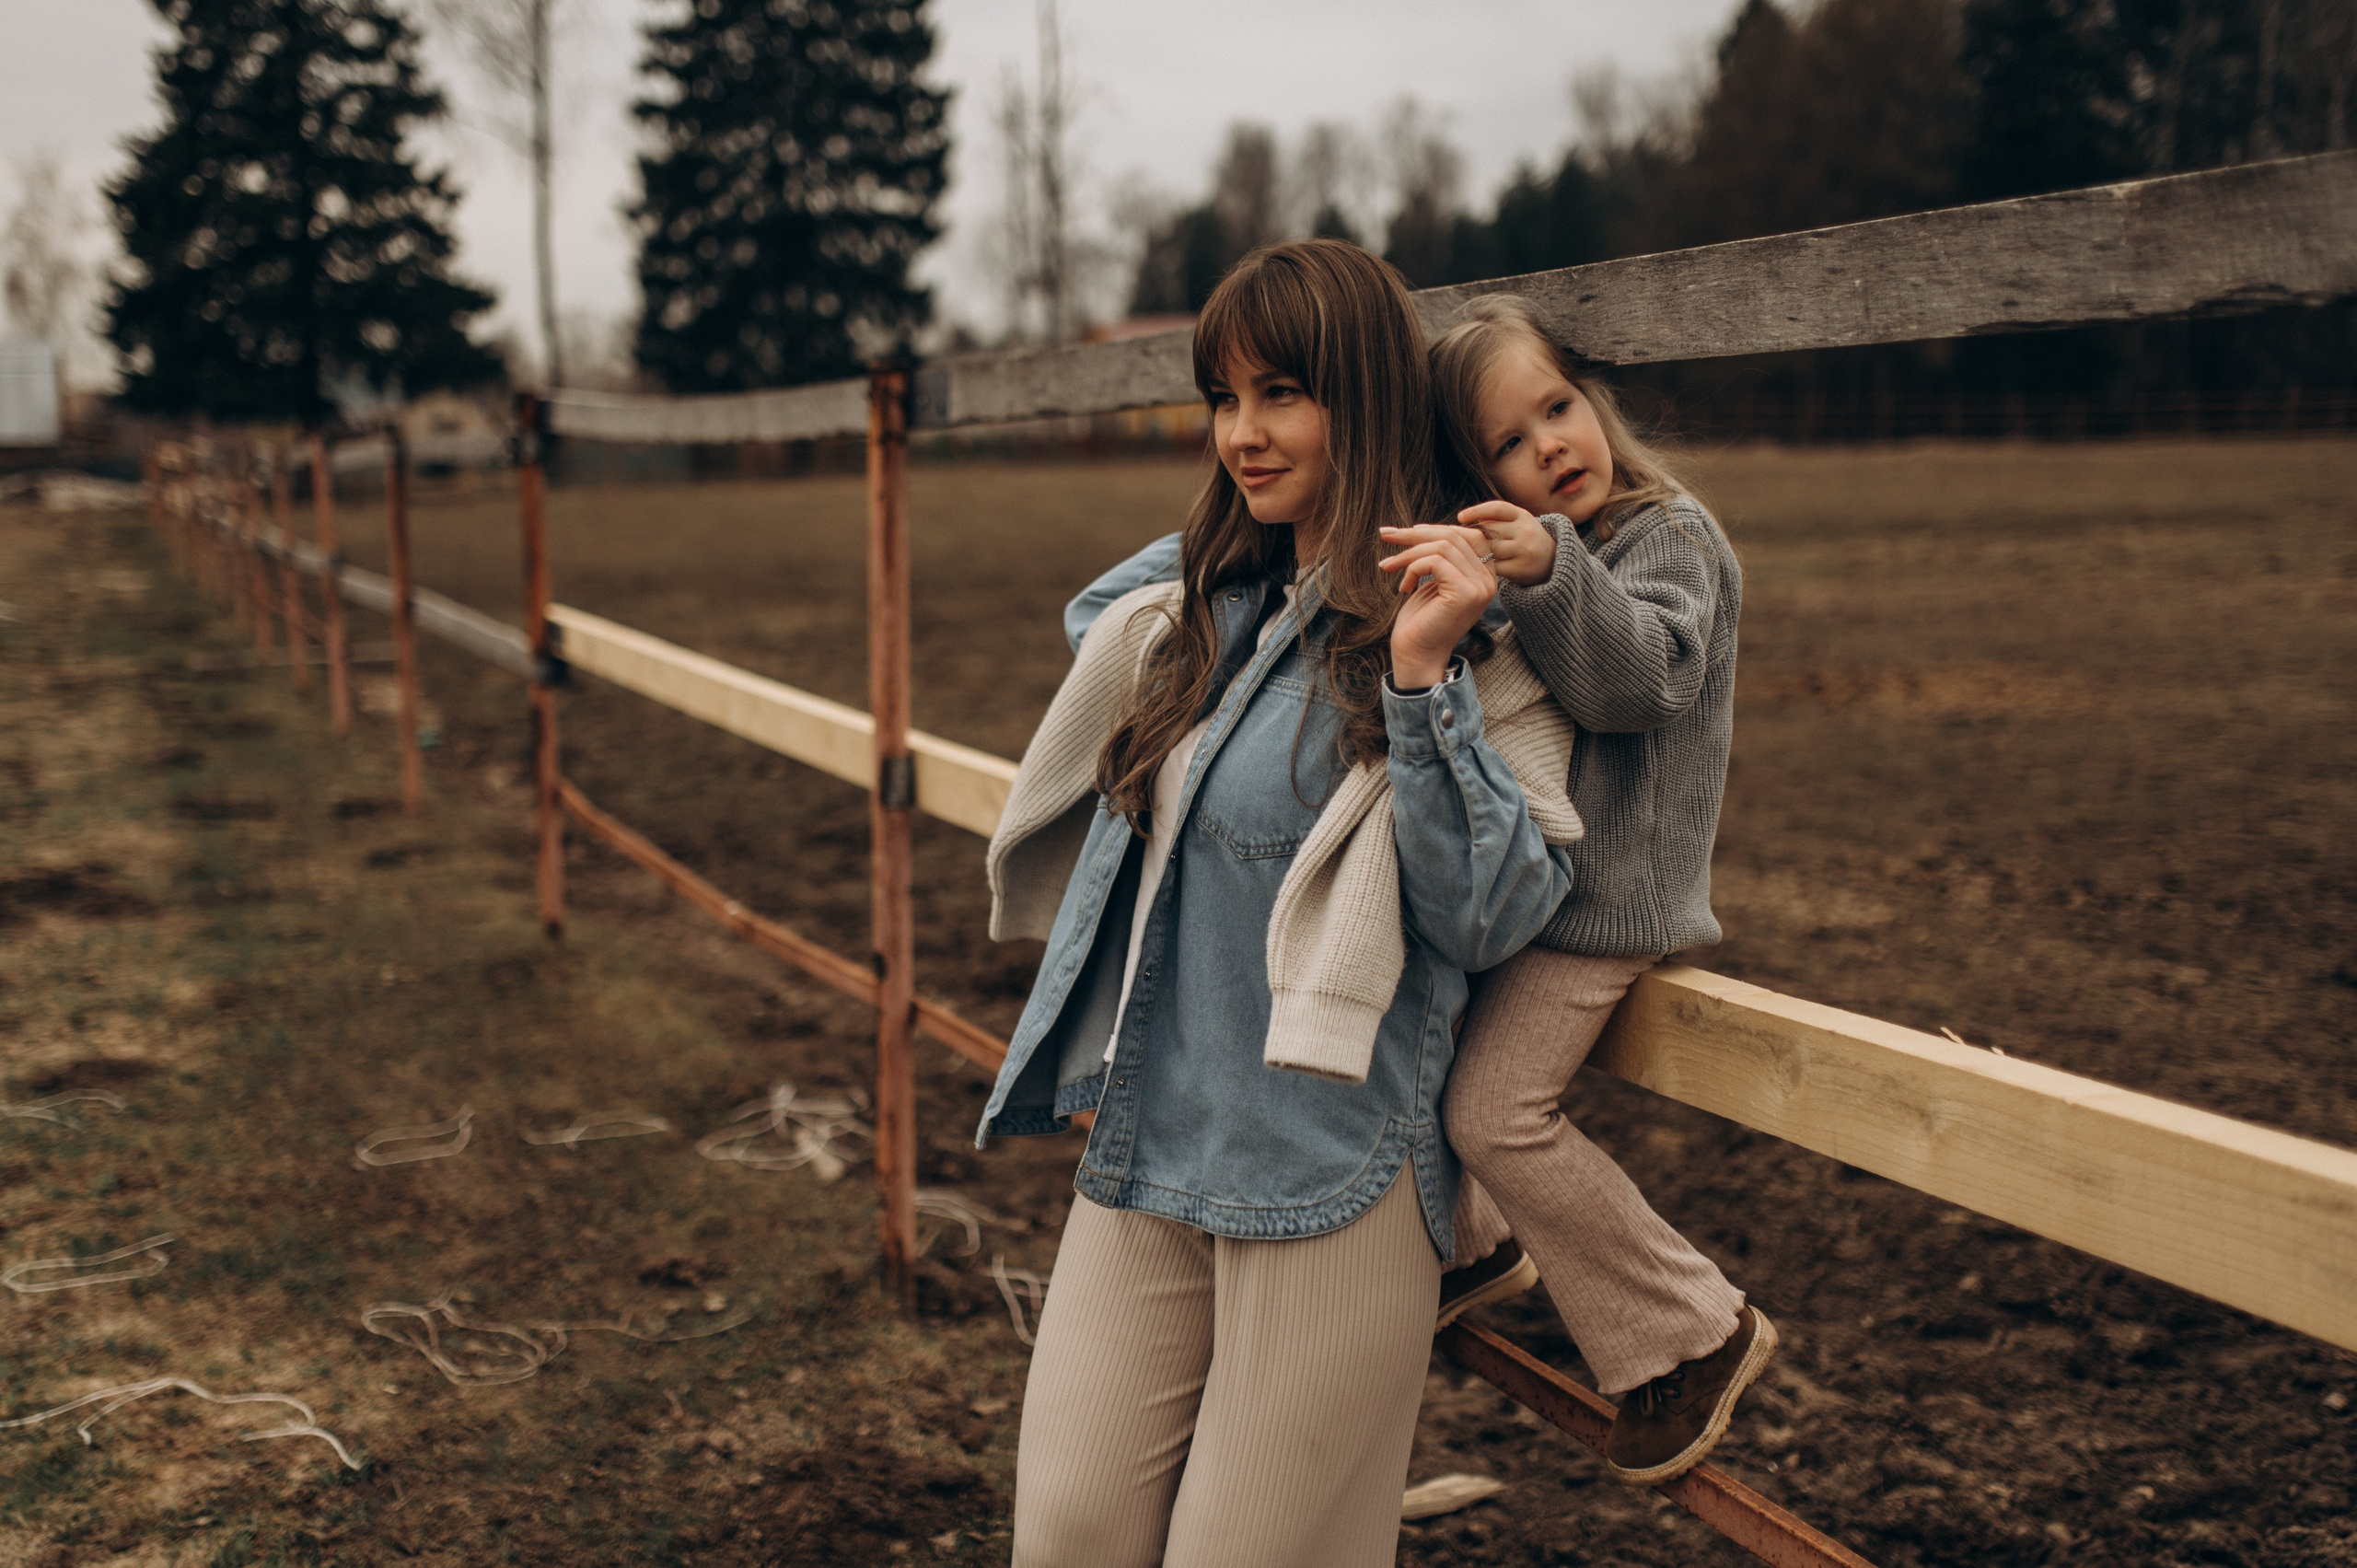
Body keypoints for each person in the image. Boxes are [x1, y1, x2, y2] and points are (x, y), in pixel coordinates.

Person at [976, 241, 1581, 1567]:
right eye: (1223, 396)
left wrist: (1422, 688)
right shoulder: (1201, 611)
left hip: (1334, 1175)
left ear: (1362, 397)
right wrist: (1247, 538)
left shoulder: (1477, 637)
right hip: (1150, 1146)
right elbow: (1101, 615)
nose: (1241, 434)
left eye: (1282, 393)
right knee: (1068, 1533)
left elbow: (1493, 911)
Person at [1376, 292, 1772, 1488]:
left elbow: (1638, 683)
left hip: (1607, 908)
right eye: (1508, 441)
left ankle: (1693, 1330)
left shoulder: (1671, 540)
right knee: (1423, 1040)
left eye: (1558, 406)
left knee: (1494, 1110)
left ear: (1596, 398)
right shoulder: (1557, 550)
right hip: (1538, 895)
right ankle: (1480, 1251)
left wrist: (1548, 566)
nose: (1551, 444)